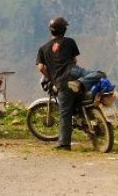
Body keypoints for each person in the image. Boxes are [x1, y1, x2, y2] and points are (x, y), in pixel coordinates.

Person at [36, 16, 103, 151]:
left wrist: (52, 77)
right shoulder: (70, 42)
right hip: (74, 72)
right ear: (64, 30)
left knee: (65, 114)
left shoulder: (43, 49)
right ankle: (81, 83)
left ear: (51, 31)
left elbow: (41, 68)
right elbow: (74, 60)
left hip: (61, 81)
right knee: (100, 74)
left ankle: (64, 144)